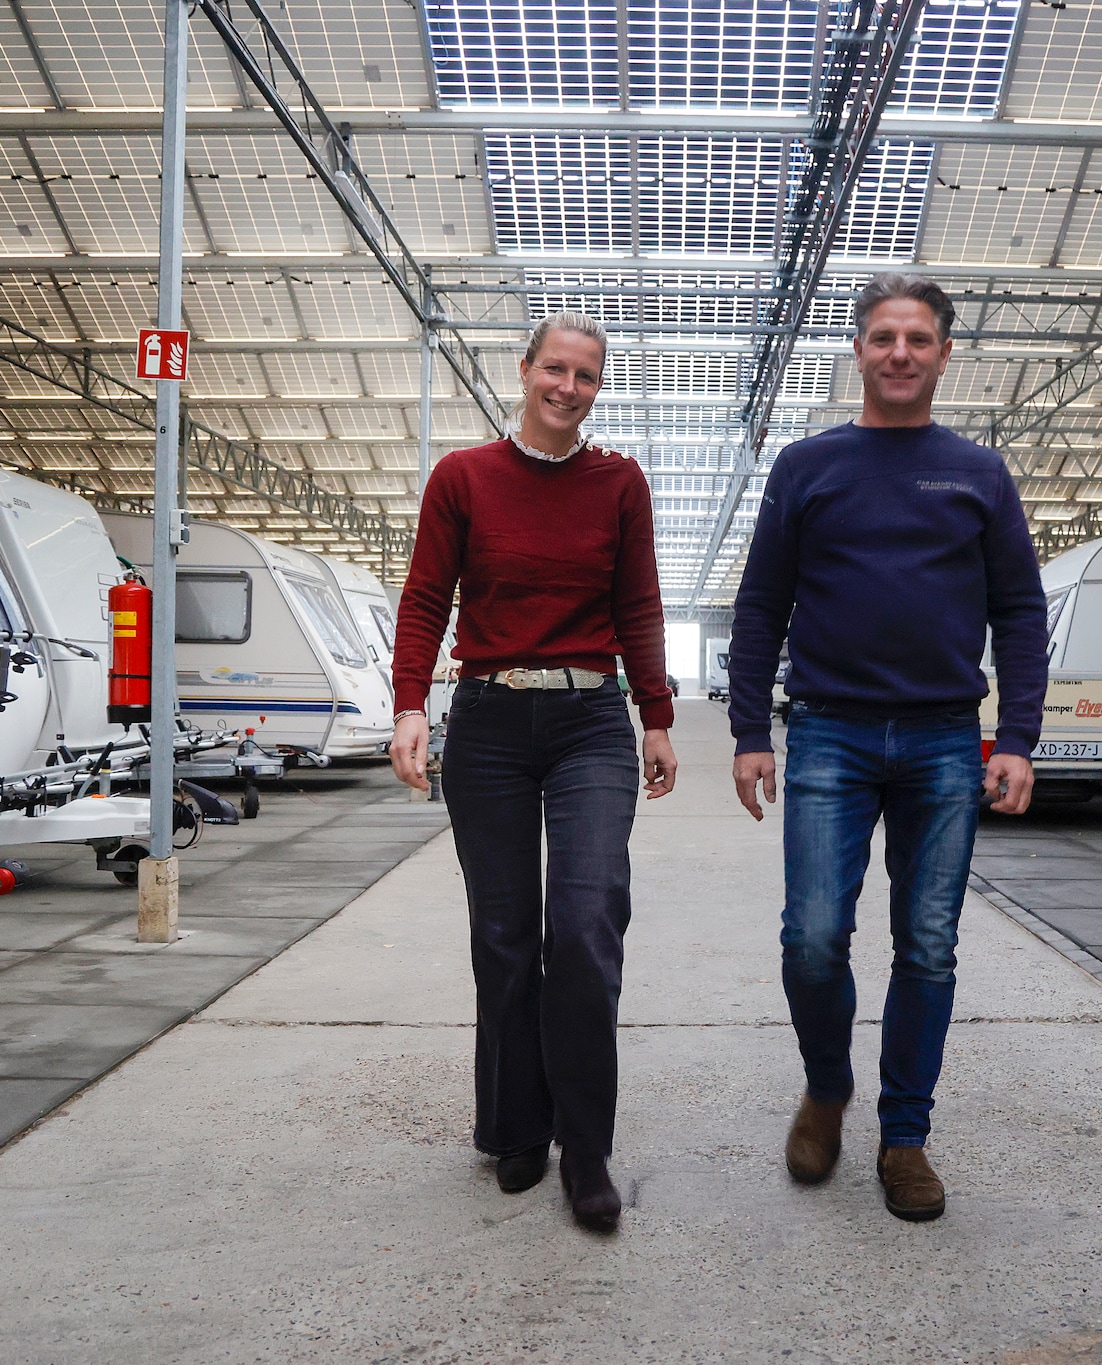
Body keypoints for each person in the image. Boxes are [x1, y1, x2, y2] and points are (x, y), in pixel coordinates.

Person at [727, 273, 1047, 1222]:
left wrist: (1018, 735)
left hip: (947, 737)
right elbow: (759, 606)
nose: (899, 352)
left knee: (929, 945)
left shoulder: (979, 473)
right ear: (858, 351)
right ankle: (828, 1088)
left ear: (944, 353)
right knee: (815, 939)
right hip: (829, 729)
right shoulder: (807, 466)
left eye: (918, 338)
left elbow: (1019, 612)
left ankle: (904, 1136)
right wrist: (751, 730)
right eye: (882, 337)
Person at [390, 312, 678, 1234]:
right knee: (506, 933)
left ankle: (585, 1145)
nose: (568, 385)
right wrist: (408, 707)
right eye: (555, 367)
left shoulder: (619, 482)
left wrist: (658, 716)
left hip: (592, 719)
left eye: (586, 374)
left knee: (588, 921)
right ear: (523, 371)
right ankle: (516, 1123)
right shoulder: (463, 477)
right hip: (489, 721)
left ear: (598, 387)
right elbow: (427, 594)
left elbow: (639, 601)